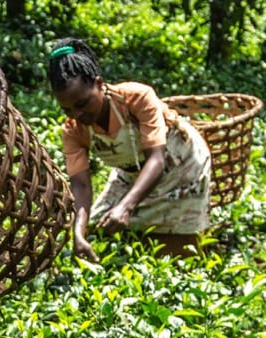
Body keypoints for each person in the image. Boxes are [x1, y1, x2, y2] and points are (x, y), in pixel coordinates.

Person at [47, 38, 213, 262]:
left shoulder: (136, 98)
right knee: (99, 229)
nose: (76, 114)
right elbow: (81, 184)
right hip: (134, 171)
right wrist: (78, 231)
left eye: (82, 103)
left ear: (99, 83)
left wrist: (126, 206)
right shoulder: (74, 131)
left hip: (181, 165)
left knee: (179, 248)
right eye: (67, 109)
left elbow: (156, 159)